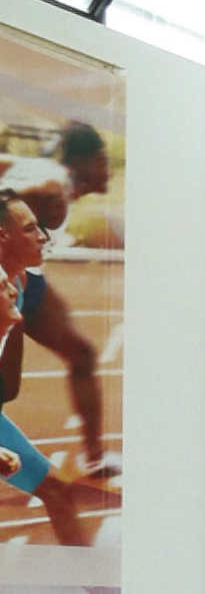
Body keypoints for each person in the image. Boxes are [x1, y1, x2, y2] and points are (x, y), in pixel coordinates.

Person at [0, 122, 118, 477]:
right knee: (5, 386)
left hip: (28, 280)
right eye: (104, 162)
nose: (109, 171)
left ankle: (95, 458)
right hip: (10, 281)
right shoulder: (52, 189)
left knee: (80, 354)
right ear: (89, 161)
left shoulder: (47, 176)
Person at [0, 191, 86, 545]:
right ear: (3, 236)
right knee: (56, 489)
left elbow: (7, 387)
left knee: (56, 490)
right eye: (30, 228)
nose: (43, 237)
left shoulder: (16, 286)